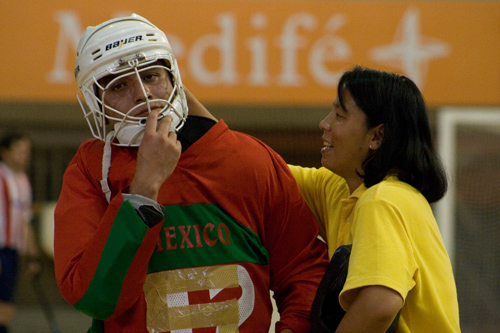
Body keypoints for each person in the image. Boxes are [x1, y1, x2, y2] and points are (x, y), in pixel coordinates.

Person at [53, 13, 329, 333]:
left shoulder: (248, 159)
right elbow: (93, 298)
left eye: (152, 75)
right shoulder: (91, 170)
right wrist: (144, 187)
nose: (142, 94)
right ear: (96, 101)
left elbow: (303, 271)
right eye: (120, 85)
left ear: (173, 78)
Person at [288, 66, 461, 332]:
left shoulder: (382, 200)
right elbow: (253, 166)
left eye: (339, 115)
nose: (325, 123)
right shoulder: (340, 189)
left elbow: (379, 303)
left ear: (377, 136)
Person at [0, 132, 41, 333]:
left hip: (11, 250)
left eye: (27, 152)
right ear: (5, 153)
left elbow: (25, 221)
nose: (25, 156)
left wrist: (32, 256)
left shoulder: (23, 181)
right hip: (0, 248)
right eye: (19, 151)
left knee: (7, 303)